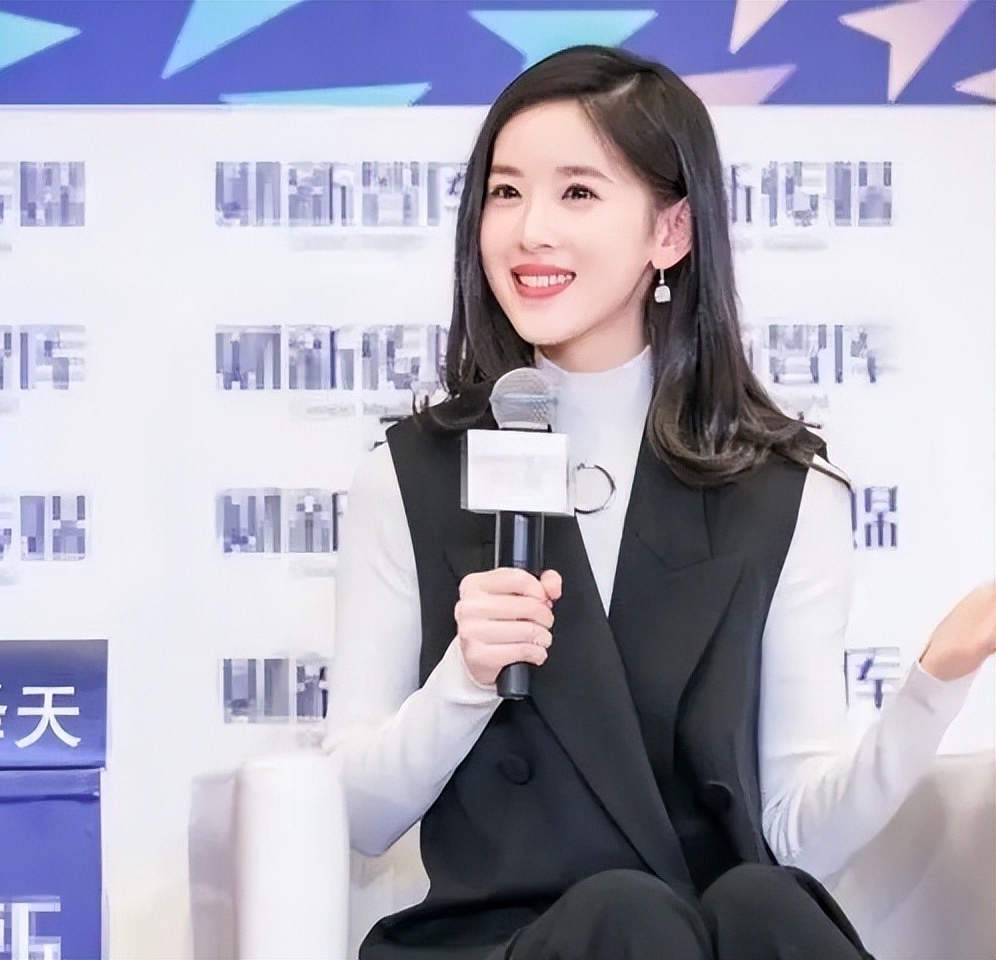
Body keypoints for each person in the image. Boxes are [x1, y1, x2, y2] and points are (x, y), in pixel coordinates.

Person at [322, 45, 994, 960]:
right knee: (626, 915)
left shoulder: (784, 493)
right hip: (501, 943)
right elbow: (358, 816)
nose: (530, 231)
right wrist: (466, 679)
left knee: (762, 899)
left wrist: (936, 683)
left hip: (709, 937)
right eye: (506, 192)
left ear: (670, 231)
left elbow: (796, 838)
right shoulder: (409, 477)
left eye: (578, 193)